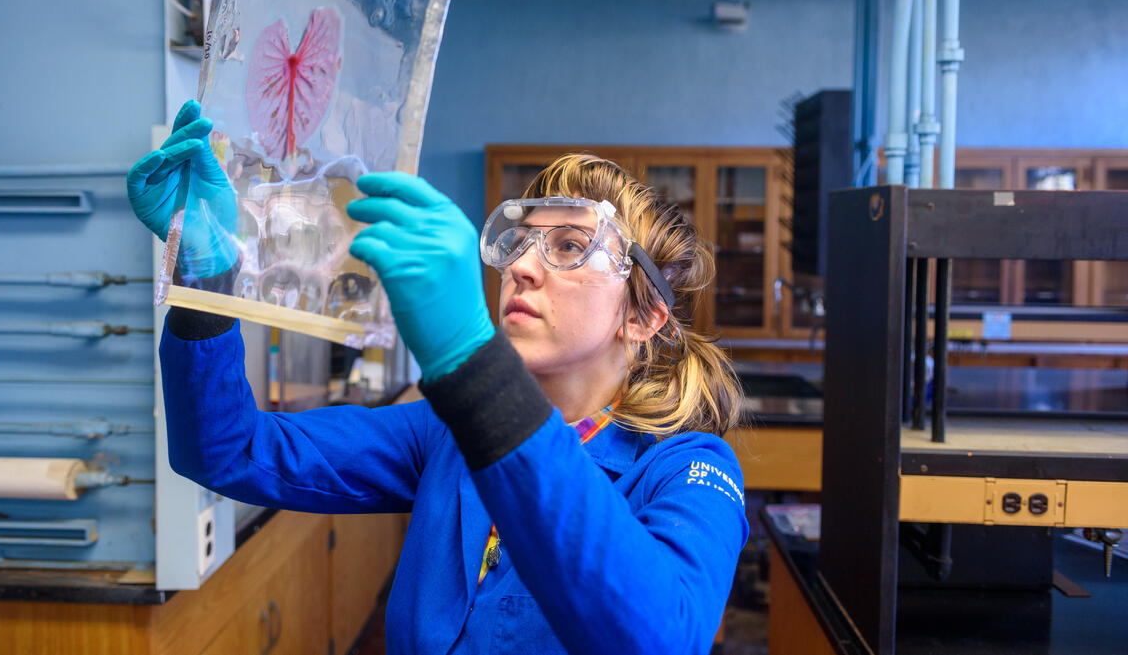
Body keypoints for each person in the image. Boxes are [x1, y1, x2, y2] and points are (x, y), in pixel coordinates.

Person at [128, 101, 749, 654]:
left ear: (643, 316)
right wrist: (205, 281)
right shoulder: (444, 434)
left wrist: (475, 362)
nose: (522, 266)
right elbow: (227, 451)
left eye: (566, 246)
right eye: (522, 241)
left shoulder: (689, 469)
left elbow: (662, 636)